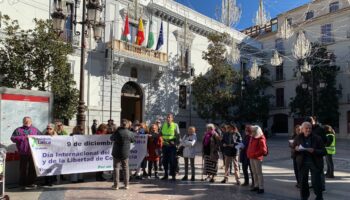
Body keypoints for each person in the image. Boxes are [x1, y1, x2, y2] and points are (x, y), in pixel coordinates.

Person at [293, 122, 326, 200]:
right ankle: (304, 197)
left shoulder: (317, 138)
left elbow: (324, 151)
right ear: (302, 129)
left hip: (315, 163)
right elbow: (293, 150)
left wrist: (314, 151)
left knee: (316, 182)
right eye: (306, 128)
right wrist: (296, 149)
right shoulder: (298, 138)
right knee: (303, 182)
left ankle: (319, 197)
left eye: (310, 128)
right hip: (302, 163)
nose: (308, 130)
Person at [11, 116, 41, 190]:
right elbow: (12, 138)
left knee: (32, 168)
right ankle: (22, 183)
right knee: (23, 169)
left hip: (33, 153)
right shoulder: (18, 130)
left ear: (31, 121)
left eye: (28, 121)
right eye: (25, 121)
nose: (27, 122)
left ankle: (31, 183)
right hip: (23, 153)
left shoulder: (35, 130)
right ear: (23, 122)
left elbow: (42, 138)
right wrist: (23, 137)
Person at [110, 119, 135, 190]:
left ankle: (116, 185)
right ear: (127, 125)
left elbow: (111, 138)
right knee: (125, 168)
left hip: (116, 153)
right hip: (125, 153)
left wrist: (115, 131)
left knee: (116, 168)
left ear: (121, 124)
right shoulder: (130, 133)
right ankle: (126, 185)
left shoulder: (117, 132)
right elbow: (133, 140)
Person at [305, 116, 326, 191]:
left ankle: (322, 186)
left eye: (310, 122)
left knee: (320, 170)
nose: (309, 124)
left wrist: (318, 145)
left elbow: (325, 140)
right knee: (312, 170)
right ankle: (314, 184)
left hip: (318, 152)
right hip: (310, 154)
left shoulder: (320, 129)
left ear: (314, 121)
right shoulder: (308, 130)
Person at [247, 125, 267, 194]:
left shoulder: (261, 138)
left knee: (259, 173)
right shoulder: (252, 137)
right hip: (251, 157)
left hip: (257, 158)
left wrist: (255, 154)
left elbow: (264, 150)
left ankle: (261, 187)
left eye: (253, 131)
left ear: (256, 132)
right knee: (254, 173)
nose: (252, 132)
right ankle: (256, 186)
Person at [161, 113, 180, 181]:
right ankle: (166, 175)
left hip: (172, 146)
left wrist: (176, 144)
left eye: (169, 117)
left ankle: (173, 175)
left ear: (172, 118)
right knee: (165, 161)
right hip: (165, 145)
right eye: (167, 117)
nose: (168, 118)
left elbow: (178, 135)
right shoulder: (164, 125)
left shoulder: (175, 125)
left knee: (172, 161)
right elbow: (160, 133)